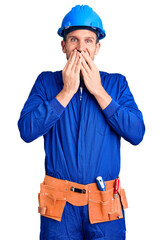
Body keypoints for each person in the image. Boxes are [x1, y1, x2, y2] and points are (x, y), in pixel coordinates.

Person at [18, 4, 145, 240]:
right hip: (59, 210)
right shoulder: (46, 83)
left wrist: (99, 91)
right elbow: (26, 130)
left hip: (105, 207)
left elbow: (137, 134)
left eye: (88, 41)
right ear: (63, 45)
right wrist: (65, 92)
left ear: (97, 47)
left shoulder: (117, 84)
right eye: (74, 40)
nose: (81, 48)